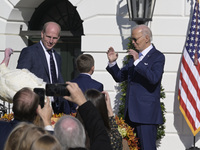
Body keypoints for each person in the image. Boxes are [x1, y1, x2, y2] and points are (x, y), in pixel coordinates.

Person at [106, 25, 165, 150]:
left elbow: (154, 78)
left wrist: (138, 62)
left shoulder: (158, 57)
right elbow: (120, 77)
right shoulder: (135, 57)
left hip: (146, 117)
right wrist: (112, 62)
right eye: (132, 39)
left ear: (147, 38)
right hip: (130, 114)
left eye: (135, 39)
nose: (133, 42)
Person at [16, 21, 71, 114]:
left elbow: (57, 80)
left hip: (56, 108)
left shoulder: (57, 57)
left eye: (54, 38)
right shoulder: (29, 52)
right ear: (42, 34)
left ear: (58, 38)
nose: (50, 41)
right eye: (48, 37)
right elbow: (21, 79)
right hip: (36, 108)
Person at [56, 81, 112, 150]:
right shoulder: (110, 138)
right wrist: (110, 112)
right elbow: (100, 136)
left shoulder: (77, 138)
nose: (77, 108)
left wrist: (47, 124)